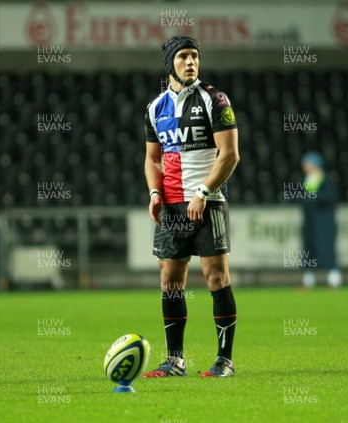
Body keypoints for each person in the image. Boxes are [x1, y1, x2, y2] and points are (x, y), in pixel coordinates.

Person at [142, 35, 239, 378]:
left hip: (208, 202)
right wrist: (155, 195)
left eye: (195, 56)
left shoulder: (215, 99)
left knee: (216, 276)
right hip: (171, 207)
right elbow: (152, 159)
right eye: (183, 57)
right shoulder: (155, 108)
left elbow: (229, 155)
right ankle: (175, 361)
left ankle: (224, 361)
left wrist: (203, 191)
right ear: (170, 64)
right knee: (170, 280)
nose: (191, 62)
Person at [300, 152, 342, 288]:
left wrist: (313, 198)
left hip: (324, 223)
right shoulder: (304, 179)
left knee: (327, 249)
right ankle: (308, 280)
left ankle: (333, 279)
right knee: (308, 249)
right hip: (309, 222)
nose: (304, 166)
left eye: (307, 163)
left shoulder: (327, 180)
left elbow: (331, 197)